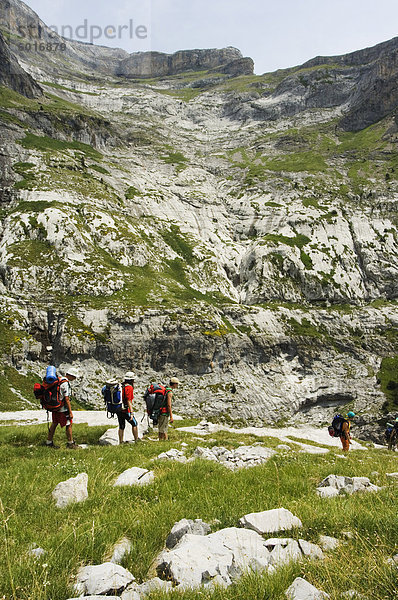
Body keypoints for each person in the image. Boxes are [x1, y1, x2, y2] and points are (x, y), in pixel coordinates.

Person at [46, 367, 79, 449]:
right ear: (71, 375)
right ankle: (70, 443)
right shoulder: (65, 383)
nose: (75, 379)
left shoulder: (58, 380)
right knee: (68, 424)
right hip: (62, 409)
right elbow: (66, 399)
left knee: (54, 423)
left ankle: (49, 442)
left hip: (55, 407)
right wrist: (70, 411)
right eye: (74, 377)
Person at [118, 371, 139, 445]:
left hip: (119, 409)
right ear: (132, 380)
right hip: (126, 409)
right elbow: (129, 400)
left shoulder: (121, 385)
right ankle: (136, 440)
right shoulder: (129, 387)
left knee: (121, 425)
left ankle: (121, 442)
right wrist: (131, 412)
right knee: (134, 423)